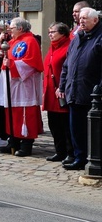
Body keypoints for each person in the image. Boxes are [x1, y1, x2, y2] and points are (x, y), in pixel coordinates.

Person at [59, 7, 102, 170]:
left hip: (92, 93)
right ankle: (79, 156)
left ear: (95, 20)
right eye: (80, 18)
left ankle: (92, 158)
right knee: (75, 127)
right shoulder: (77, 38)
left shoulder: (99, 37)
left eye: (85, 18)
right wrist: (63, 85)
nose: (81, 21)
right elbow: (67, 64)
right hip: (74, 90)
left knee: (92, 129)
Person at [0, 17, 44, 157]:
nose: (9, 30)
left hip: (24, 85)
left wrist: (14, 64)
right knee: (11, 112)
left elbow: (32, 63)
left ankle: (26, 145)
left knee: (24, 114)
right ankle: (13, 141)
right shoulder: (13, 41)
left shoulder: (30, 41)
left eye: (12, 27)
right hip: (11, 83)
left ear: (20, 29)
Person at [42, 22, 73, 162]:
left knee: (65, 125)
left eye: (53, 32)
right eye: (49, 32)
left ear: (62, 33)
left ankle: (69, 152)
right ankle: (59, 151)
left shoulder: (68, 46)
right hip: (51, 93)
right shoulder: (52, 47)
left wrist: (63, 87)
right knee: (53, 124)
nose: (50, 34)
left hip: (61, 92)